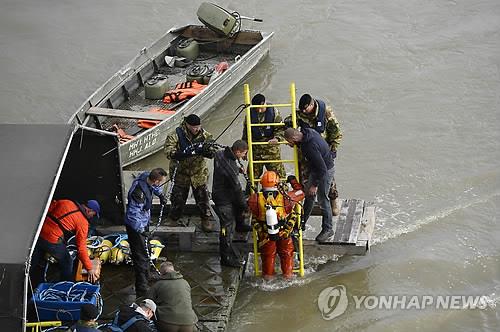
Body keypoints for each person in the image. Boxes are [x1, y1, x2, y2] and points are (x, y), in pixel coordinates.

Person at [30, 199, 101, 286]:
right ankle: (65, 285)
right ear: (89, 210)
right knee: (67, 261)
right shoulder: (83, 223)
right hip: (51, 239)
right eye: (93, 215)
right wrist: (89, 268)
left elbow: (47, 207)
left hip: (38, 232)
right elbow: (81, 248)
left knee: (34, 260)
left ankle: (28, 279)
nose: (91, 217)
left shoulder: (66, 202)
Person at [247, 171, 304, 280]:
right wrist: (293, 181)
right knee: (287, 254)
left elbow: (252, 215)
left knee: (268, 257)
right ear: (277, 184)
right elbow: (301, 192)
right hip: (284, 233)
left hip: (265, 235)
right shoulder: (287, 198)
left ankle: (268, 279)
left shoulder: (254, 199)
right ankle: (288, 277)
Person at [164, 114, 216, 232]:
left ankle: (205, 219)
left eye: (198, 126)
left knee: (202, 198)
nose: (196, 129)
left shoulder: (205, 135)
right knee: (178, 197)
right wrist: (179, 154)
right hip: (181, 173)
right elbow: (168, 150)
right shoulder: (175, 135)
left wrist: (207, 151)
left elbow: (213, 150)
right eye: (193, 127)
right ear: (187, 125)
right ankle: (174, 218)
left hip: (198, 172)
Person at [284, 127, 336, 242]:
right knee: (308, 196)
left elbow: (322, 169)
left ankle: (328, 229)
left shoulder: (309, 146)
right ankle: (301, 225)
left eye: (289, 142)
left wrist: (315, 185)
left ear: (293, 138)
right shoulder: (307, 132)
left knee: (323, 199)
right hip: (316, 168)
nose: (289, 144)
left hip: (325, 170)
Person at [125, 168, 168, 298]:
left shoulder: (147, 177)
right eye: (160, 183)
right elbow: (133, 214)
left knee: (147, 249)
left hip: (144, 221)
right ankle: (142, 285)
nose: (159, 185)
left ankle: (148, 273)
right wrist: (141, 230)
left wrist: (160, 195)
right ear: (155, 180)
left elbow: (155, 187)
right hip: (136, 226)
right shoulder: (139, 193)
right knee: (141, 255)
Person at [296, 93, 342, 215]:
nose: (304, 111)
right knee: (306, 178)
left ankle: (333, 201)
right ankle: (309, 205)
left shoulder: (325, 112)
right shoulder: (299, 113)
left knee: (328, 178)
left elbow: (336, 132)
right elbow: (289, 125)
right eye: (302, 110)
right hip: (307, 153)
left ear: (312, 104)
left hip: (323, 151)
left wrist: (332, 149)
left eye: (306, 109)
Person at [212, 140, 252, 267]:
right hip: (223, 198)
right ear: (237, 151)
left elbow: (225, 167)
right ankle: (226, 257)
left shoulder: (220, 154)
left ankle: (240, 225)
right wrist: (245, 206)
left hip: (223, 191)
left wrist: (238, 169)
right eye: (244, 154)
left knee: (237, 208)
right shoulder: (231, 168)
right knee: (227, 227)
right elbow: (237, 189)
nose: (244, 156)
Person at [242, 93, 286, 179]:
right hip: (256, 150)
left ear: (264, 103)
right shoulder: (249, 114)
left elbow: (281, 129)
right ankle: (251, 192)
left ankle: (283, 190)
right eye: (256, 109)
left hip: (271, 149)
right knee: (251, 177)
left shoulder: (274, 112)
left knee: (279, 176)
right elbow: (246, 134)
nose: (258, 111)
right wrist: (244, 149)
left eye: (260, 108)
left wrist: (277, 139)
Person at [148, 262, 198, 332]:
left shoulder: (158, 284)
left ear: (162, 273)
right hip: (189, 322)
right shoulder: (185, 282)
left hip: (167, 322)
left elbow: (148, 302)